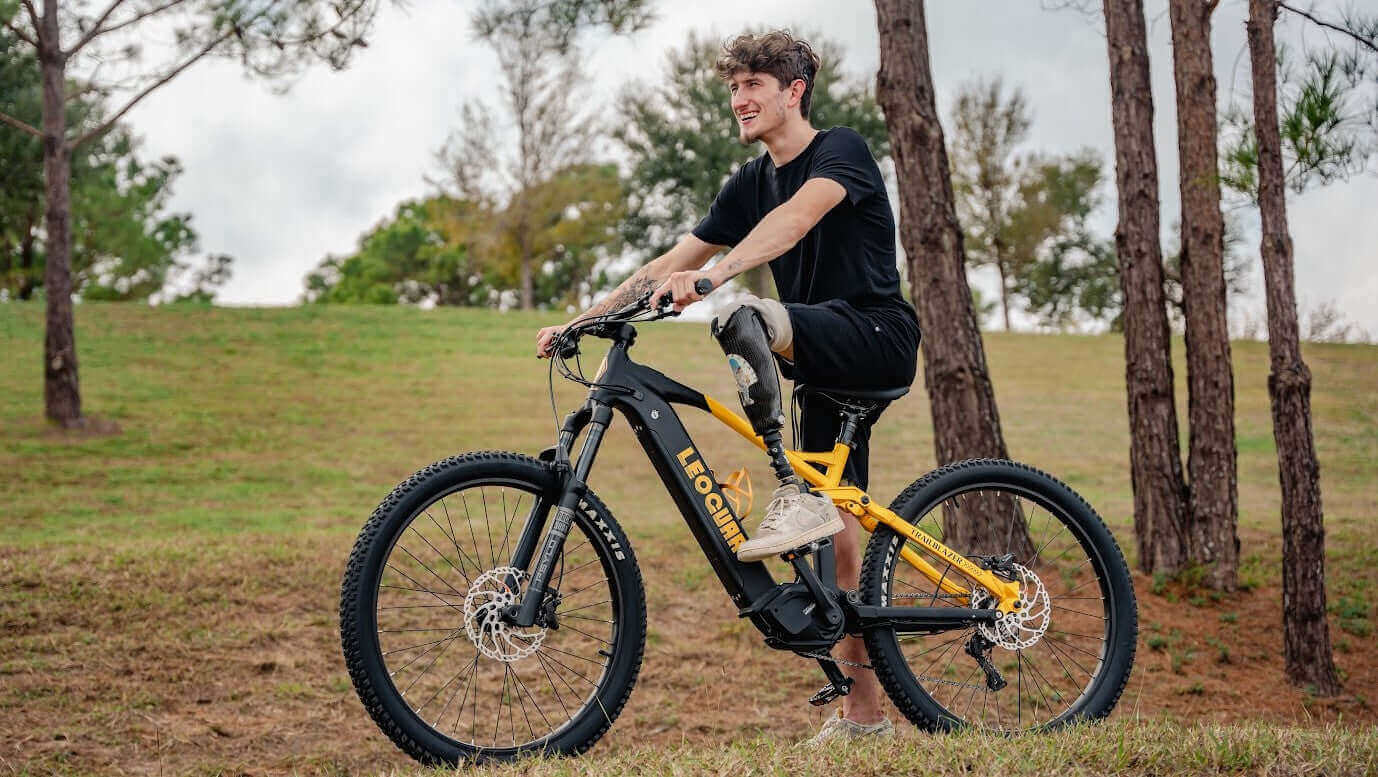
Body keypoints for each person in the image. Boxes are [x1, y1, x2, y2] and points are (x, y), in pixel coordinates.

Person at [536, 30, 920, 744]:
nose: (740, 99)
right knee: (838, 535)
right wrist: (582, 320)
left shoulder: (842, 151)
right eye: (734, 87)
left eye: (754, 85)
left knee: (741, 313)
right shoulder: (748, 183)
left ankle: (790, 488)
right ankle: (865, 719)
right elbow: (670, 261)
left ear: (793, 91)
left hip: (875, 337)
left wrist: (716, 278)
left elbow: (795, 219)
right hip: (817, 366)